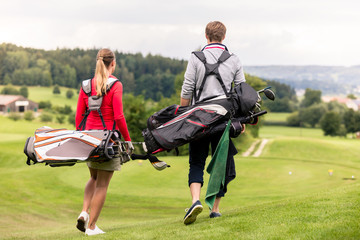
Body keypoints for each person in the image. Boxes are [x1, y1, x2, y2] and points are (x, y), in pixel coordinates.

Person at [180, 21, 246, 225]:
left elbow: (187, 89)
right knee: (221, 163)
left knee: (197, 161)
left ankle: (195, 200)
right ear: (223, 37)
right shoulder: (233, 59)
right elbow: (242, 93)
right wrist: (241, 120)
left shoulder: (195, 57)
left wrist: (181, 115)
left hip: (198, 118)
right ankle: (215, 209)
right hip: (223, 119)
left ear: (206, 36)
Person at [75, 48, 132, 235]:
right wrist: (128, 139)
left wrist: (81, 138)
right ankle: (91, 227)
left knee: (93, 177)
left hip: (89, 140)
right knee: (102, 184)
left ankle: (84, 212)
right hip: (108, 141)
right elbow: (119, 116)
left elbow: (79, 117)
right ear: (113, 64)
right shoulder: (116, 85)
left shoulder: (86, 86)